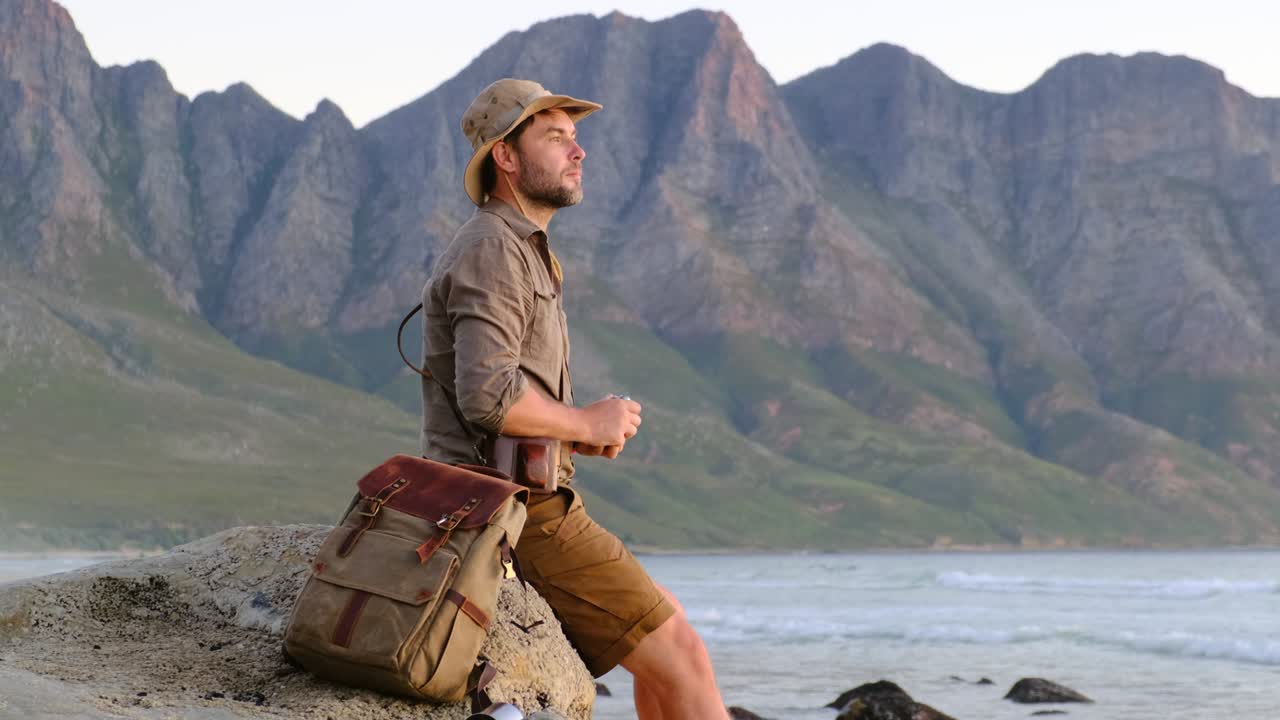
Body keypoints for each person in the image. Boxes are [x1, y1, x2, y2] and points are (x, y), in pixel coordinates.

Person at [418, 78, 729, 720]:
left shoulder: (522, 248)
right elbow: (488, 396)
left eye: (575, 138)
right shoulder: (492, 247)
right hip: (512, 513)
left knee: (669, 626)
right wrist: (584, 420)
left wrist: (571, 433)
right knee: (684, 656)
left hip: (524, 502)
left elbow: (504, 398)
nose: (578, 151)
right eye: (556, 137)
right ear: (506, 156)